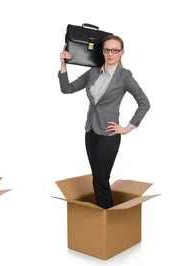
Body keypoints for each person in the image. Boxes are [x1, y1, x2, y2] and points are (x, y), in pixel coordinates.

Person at [58, 35, 150, 209]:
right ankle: (102, 216)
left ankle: (106, 217)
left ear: (122, 52)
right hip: (91, 131)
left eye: (115, 50)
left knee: (101, 179)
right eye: (107, 50)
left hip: (109, 134)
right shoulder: (93, 71)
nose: (110, 53)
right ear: (102, 51)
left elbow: (144, 102)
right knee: (97, 177)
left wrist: (128, 128)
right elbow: (67, 89)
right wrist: (63, 65)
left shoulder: (124, 76)